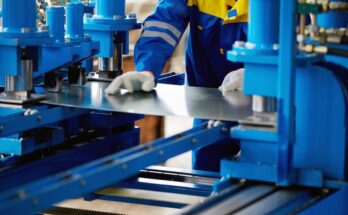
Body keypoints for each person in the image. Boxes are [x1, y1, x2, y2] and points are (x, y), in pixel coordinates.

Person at [105, 0, 248, 172]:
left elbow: (289, 38)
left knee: (266, 178)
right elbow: (164, 22)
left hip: (269, 109)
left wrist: (260, 74)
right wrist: (146, 69)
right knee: (207, 175)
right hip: (209, 104)